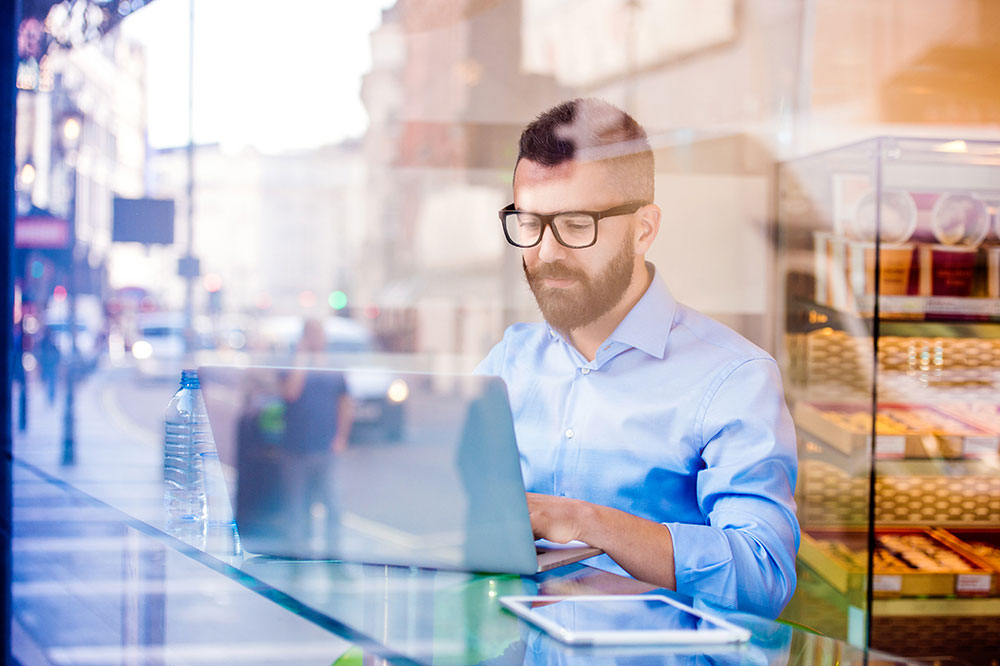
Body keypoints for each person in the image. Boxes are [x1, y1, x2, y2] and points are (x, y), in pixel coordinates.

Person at [476, 98, 799, 619]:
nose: (548, 252)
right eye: (530, 223)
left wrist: (590, 524)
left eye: (577, 225)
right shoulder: (508, 363)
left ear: (644, 229)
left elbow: (763, 574)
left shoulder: (734, 378)